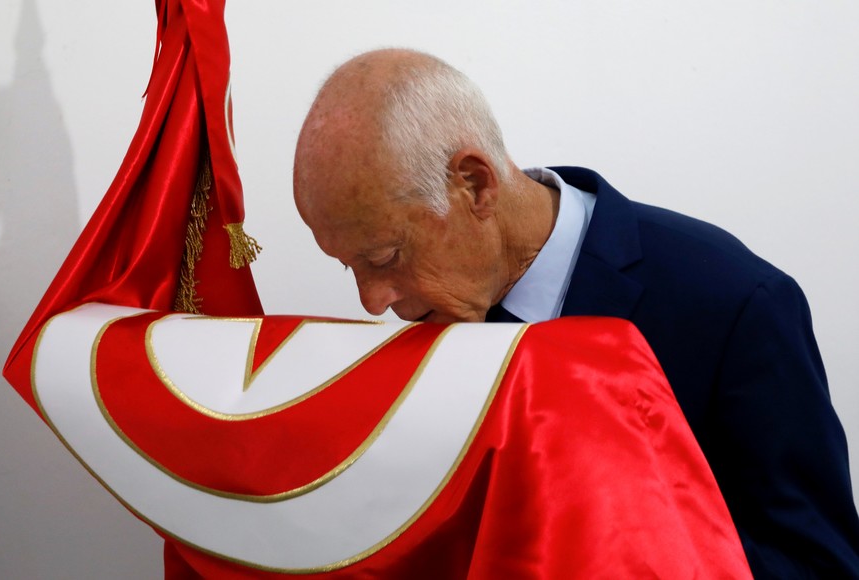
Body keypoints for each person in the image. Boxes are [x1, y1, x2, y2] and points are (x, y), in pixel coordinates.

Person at [292, 48, 859, 577]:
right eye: (349, 267)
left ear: (475, 184)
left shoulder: (737, 303)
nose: (372, 302)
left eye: (386, 257)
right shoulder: (433, 319)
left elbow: (817, 562)